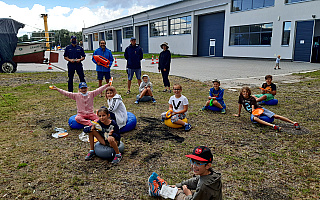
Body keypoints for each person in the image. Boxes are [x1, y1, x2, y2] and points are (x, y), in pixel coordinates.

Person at [233, 86, 301, 131]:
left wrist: (255, 113)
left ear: (249, 92)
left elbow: (253, 107)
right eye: (244, 92)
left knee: (275, 116)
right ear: (241, 93)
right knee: (254, 118)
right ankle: (273, 126)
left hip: (259, 109)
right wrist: (238, 114)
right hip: (254, 113)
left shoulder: (252, 98)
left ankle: (294, 123)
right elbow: (240, 105)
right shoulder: (240, 97)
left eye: (247, 92)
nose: (245, 93)